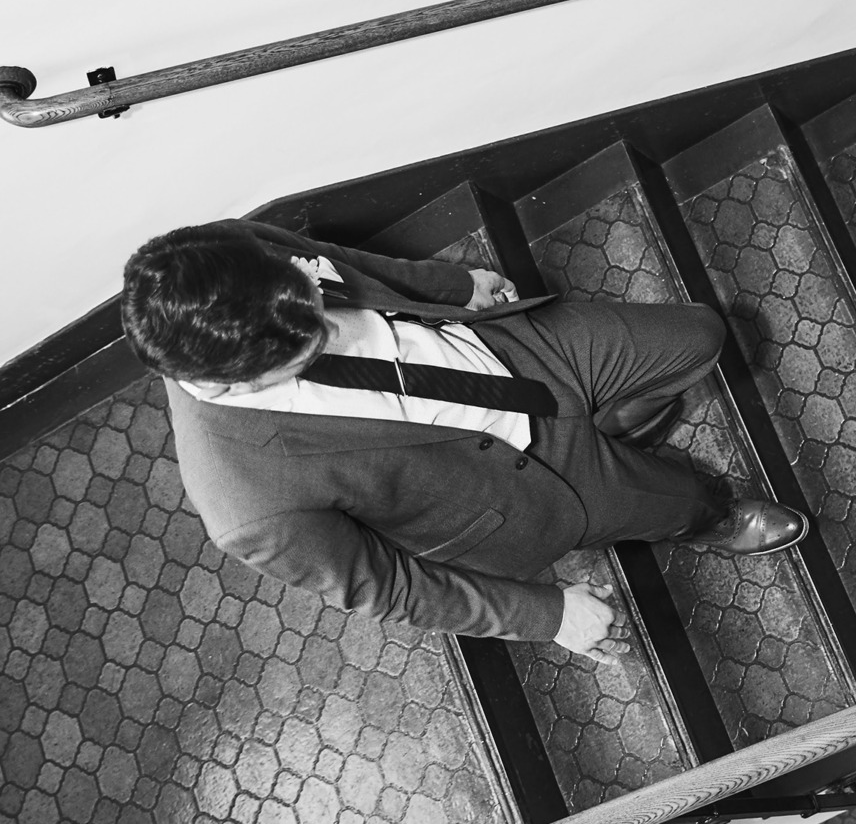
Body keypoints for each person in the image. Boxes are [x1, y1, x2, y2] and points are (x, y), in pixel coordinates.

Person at [122, 219, 810, 663]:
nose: (331, 328)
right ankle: (710, 515)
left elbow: (336, 261)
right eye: (306, 351)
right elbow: (387, 587)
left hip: (506, 350)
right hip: (518, 483)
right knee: (676, 499)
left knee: (702, 338)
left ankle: (616, 429)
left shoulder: (226, 252)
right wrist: (547, 617)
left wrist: (452, 286)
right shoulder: (247, 508)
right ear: (241, 385)